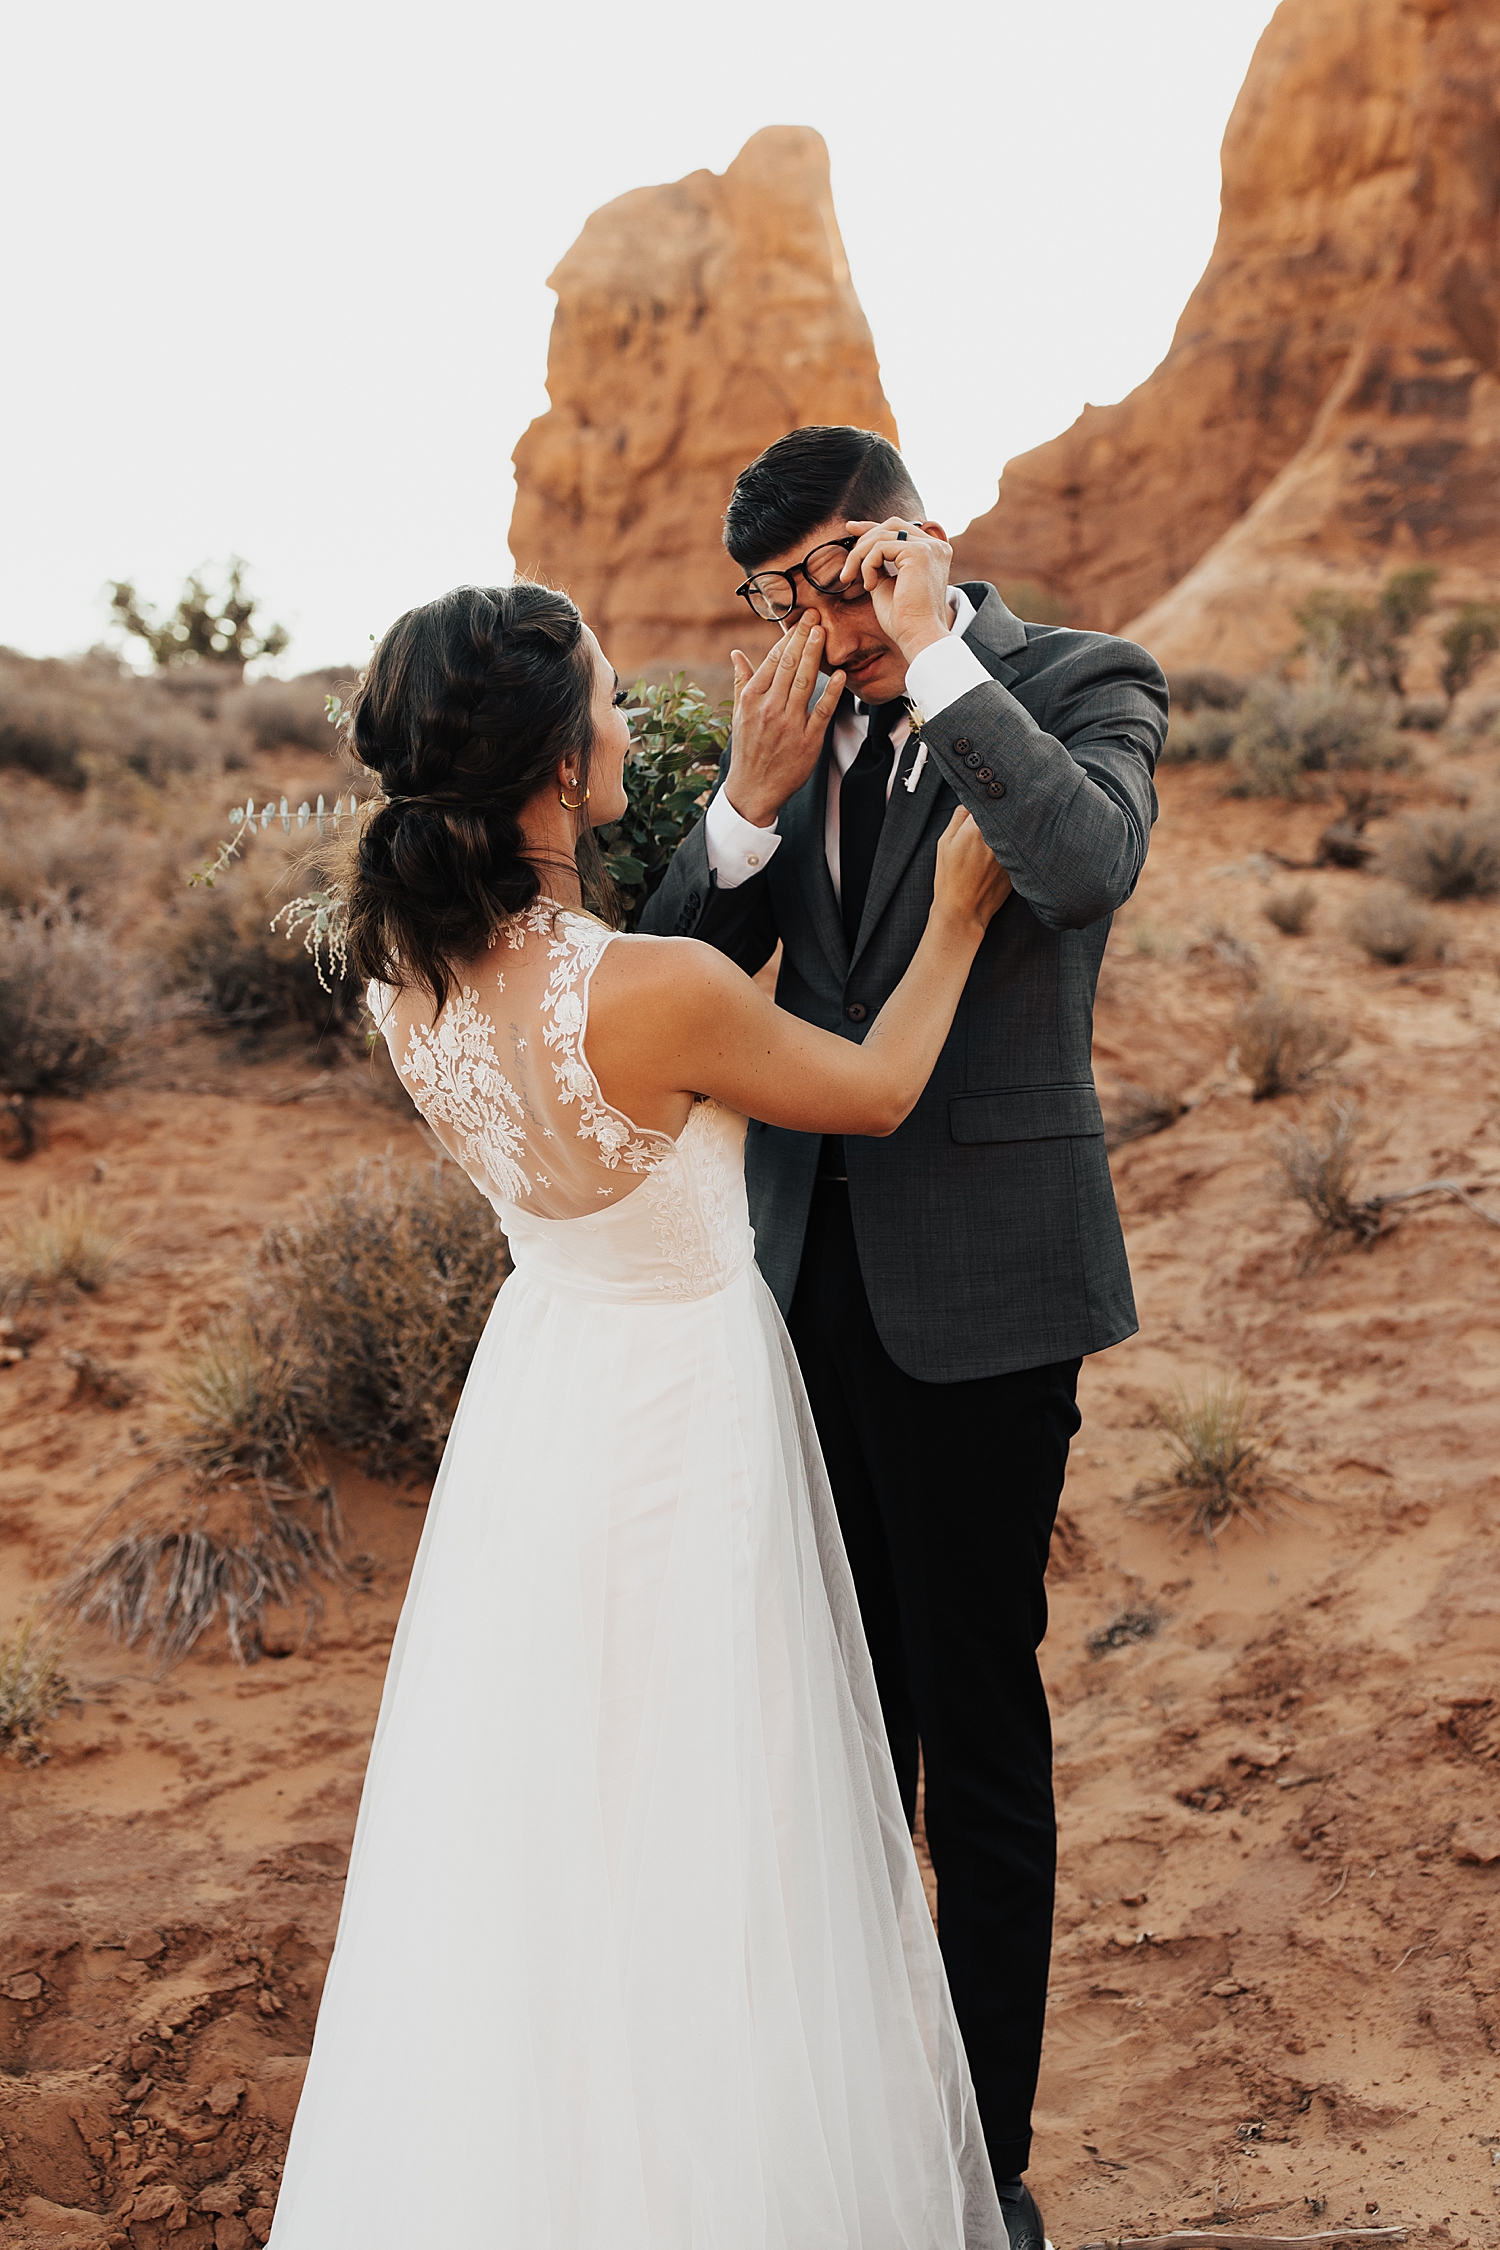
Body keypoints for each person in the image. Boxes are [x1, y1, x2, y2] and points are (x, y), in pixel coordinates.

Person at [268, 580, 1014, 2247]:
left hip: (546, 1401)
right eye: (604, 705)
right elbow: (880, 1087)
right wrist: (959, 908)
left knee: (564, 1805)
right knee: (716, 1801)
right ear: (550, 763)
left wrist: (748, 804)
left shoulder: (410, 983)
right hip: (682, 1405)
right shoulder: (653, 988)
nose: (625, 726)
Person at [641, 424, 1169, 2250]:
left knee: (976, 1722)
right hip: (802, 1293)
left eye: (852, 575)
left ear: (917, 541)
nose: (827, 621)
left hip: (994, 1299)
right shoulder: (787, 726)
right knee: (839, 1731)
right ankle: (856, 2131)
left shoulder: (1078, 680)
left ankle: (980, 2168)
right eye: (790, 597)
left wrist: (936, 655)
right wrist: (741, 803)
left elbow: (1085, 863)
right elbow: (650, 981)